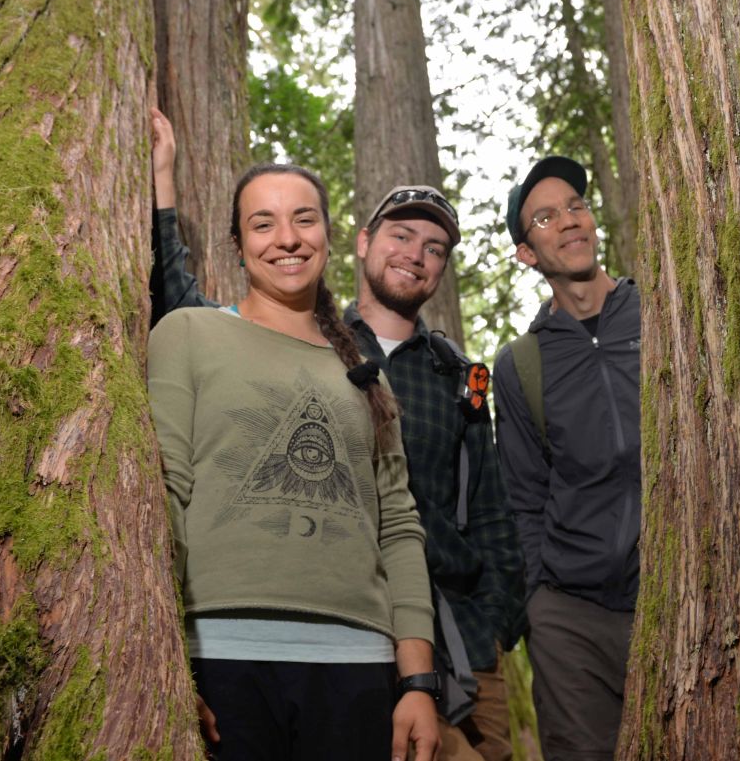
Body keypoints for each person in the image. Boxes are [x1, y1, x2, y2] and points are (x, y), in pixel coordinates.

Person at [150, 109, 525, 761]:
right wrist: (166, 663)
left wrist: (415, 682)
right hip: (222, 659)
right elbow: (163, 494)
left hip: (360, 668)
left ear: (327, 234)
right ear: (237, 243)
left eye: (304, 218)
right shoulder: (190, 333)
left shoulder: (366, 375)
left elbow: (399, 527)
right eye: (262, 222)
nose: (286, 238)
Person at [492, 157, 640, 761]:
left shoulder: (661, 313)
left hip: (680, 586)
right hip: (572, 614)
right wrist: (539, 609)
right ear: (528, 253)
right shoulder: (521, 364)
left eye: (575, 206)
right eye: (546, 217)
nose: (569, 221)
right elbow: (524, 497)